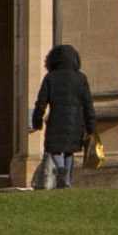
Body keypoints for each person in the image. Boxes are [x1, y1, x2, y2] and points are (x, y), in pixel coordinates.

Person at [32, 43, 95, 190]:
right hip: (76, 121)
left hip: (56, 119)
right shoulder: (81, 78)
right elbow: (88, 103)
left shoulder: (50, 78)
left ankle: (60, 170)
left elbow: (41, 102)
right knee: (69, 150)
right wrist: (91, 125)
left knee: (54, 148)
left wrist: (37, 120)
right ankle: (66, 180)